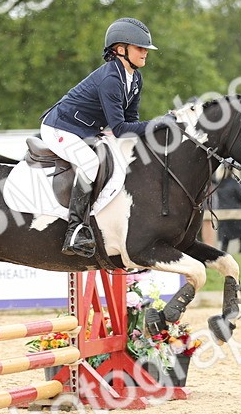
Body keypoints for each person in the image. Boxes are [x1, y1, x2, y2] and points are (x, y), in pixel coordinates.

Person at [40, 17, 155, 257]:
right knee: (91, 164)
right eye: (140, 48)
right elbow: (122, 129)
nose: (145, 52)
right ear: (120, 50)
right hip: (60, 128)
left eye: (146, 48)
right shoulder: (111, 79)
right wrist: (158, 125)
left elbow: (131, 121)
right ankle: (74, 229)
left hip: (86, 130)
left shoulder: (135, 79)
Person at [213, 172, 241, 254]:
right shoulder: (233, 183)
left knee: (225, 237)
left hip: (222, 213)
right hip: (236, 213)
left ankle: (223, 252)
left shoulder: (219, 184)